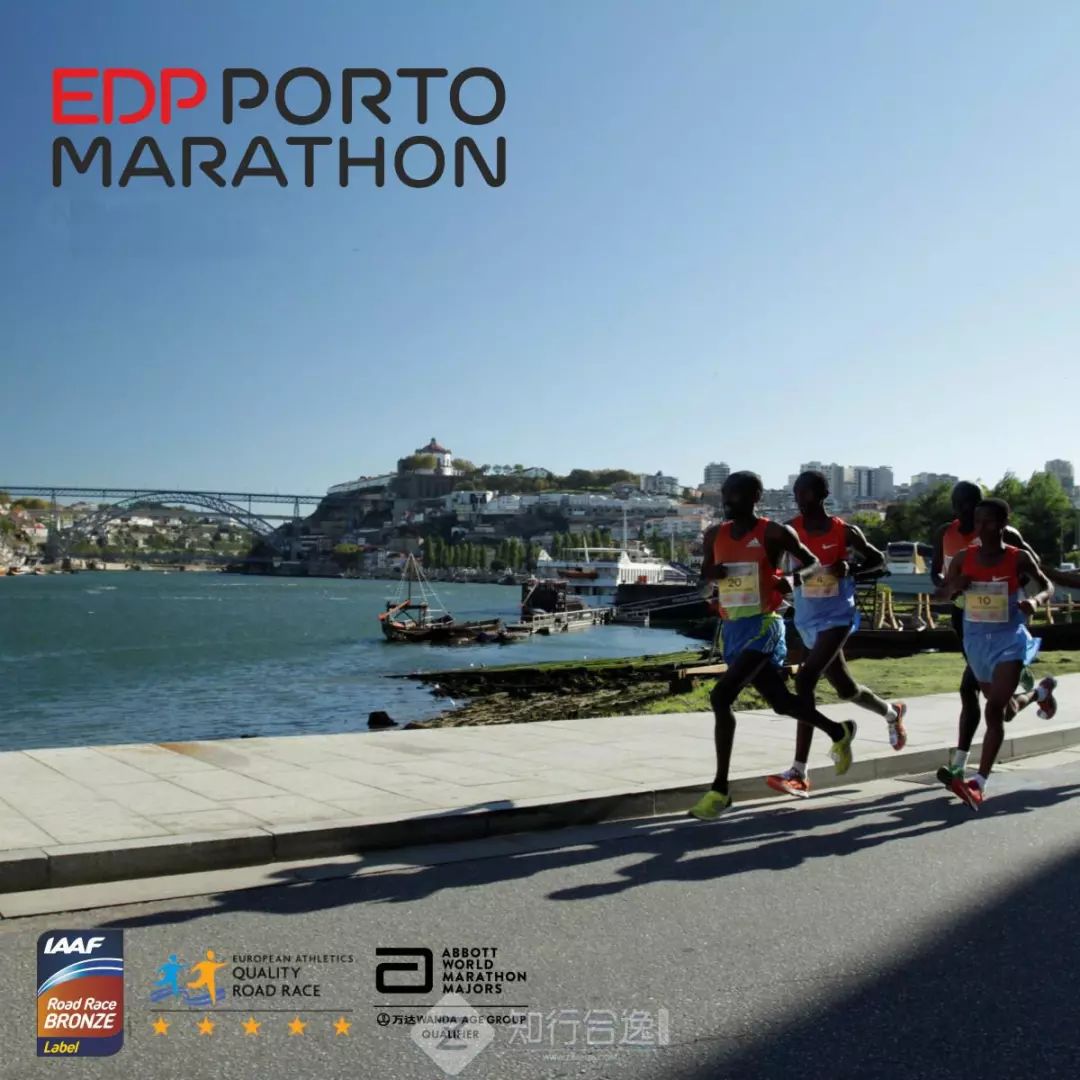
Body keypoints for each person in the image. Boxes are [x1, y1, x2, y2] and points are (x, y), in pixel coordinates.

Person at [688, 471, 857, 821]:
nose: (726, 501)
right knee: (781, 703)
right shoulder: (714, 534)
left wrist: (790, 581)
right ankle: (837, 731)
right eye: (724, 494)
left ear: (754, 498)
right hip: (733, 628)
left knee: (721, 697)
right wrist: (711, 579)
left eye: (734, 495)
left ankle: (720, 790)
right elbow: (703, 582)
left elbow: (812, 563)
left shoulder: (775, 533)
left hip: (764, 626)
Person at [765, 471, 908, 799]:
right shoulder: (789, 530)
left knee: (805, 681)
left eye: (804, 492)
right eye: (796, 492)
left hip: (838, 617)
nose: (798, 498)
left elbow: (878, 560)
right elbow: (773, 567)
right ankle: (892, 712)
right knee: (846, 689)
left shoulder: (844, 531)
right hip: (806, 617)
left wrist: (852, 569)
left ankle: (799, 771)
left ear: (821, 495)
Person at [931, 481, 1057, 787]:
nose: (979, 525)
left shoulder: (1013, 547)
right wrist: (953, 586)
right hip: (970, 629)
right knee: (1004, 710)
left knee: (978, 698)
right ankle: (1039, 693)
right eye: (976, 519)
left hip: (1007, 632)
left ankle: (968, 773)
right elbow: (939, 587)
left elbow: (1042, 578)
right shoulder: (955, 547)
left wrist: (1031, 599)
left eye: (986, 520)